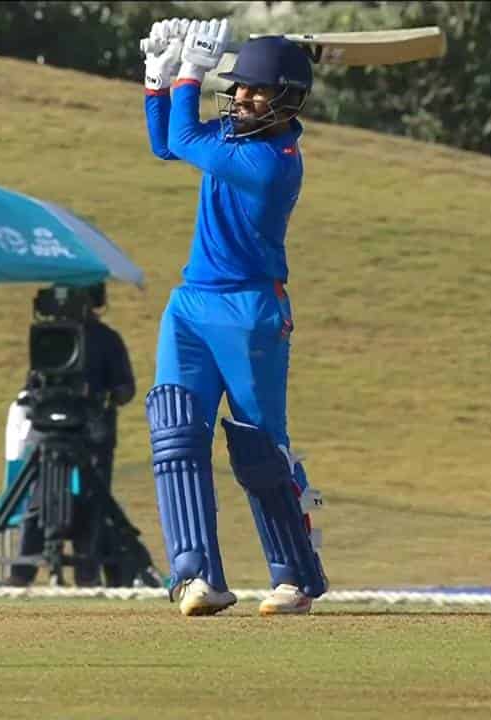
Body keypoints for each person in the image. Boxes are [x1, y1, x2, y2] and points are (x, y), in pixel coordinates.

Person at [141, 18, 327, 616]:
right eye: (239, 86)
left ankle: (295, 578)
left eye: (256, 89)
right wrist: (158, 79)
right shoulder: (235, 135)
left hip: (251, 311)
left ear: (286, 100)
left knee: (258, 448)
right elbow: (167, 143)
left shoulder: (274, 162)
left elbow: (185, 139)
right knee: (175, 432)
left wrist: (190, 73)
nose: (242, 96)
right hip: (192, 305)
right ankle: (197, 577)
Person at [7, 283, 137, 587]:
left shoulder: (106, 340)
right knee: (41, 497)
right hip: (50, 428)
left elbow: (125, 389)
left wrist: (99, 397)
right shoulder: (49, 336)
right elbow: (34, 382)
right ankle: (25, 570)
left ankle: (86, 570)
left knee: (94, 500)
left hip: (92, 432)